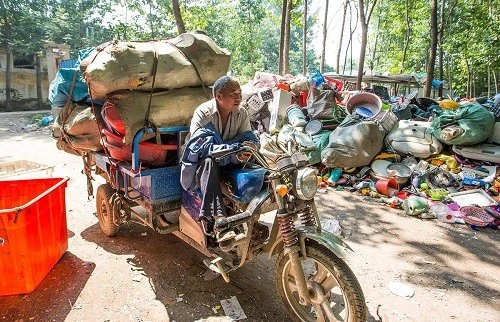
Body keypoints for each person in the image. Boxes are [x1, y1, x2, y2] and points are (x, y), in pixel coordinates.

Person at [180, 76, 259, 222]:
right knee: (209, 161)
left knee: (260, 167)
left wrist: (248, 149)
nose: (239, 98)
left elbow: (248, 139)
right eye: (233, 94)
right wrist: (235, 152)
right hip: (199, 165)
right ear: (219, 96)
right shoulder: (203, 113)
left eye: (239, 93)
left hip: (228, 160)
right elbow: (202, 149)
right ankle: (218, 218)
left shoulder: (241, 113)